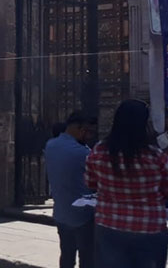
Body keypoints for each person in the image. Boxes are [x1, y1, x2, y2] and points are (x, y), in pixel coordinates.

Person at [86, 100, 168, 268]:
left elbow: (90, 183)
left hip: (109, 225)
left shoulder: (99, 152)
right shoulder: (156, 158)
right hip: (149, 228)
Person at [44, 111, 97, 268]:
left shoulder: (50, 145)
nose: (89, 136)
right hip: (84, 215)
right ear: (81, 129)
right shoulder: (83, 153)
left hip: (61, 211)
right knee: (87, 259)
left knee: (66, 256)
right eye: (88, 132)